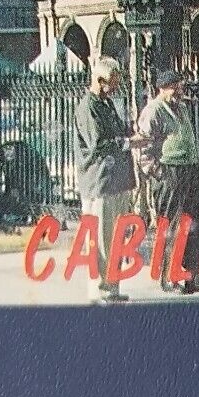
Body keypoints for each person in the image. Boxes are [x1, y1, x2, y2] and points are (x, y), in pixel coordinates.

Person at [131, 70, 199, 294]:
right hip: (169, 173)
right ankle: (169, 277)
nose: (179, 92)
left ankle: (194, 276)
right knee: (173, 227)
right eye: (175, 87)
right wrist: (156, 172)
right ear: (162, 88)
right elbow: (143, 147)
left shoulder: (182, 108)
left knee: (197, 225)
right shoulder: (153, 110)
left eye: (180, 86)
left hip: (190, 171)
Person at [72, 56, 136, 302]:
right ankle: (101, 289)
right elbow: (97, 144)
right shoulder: (88, 106)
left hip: (115, 180)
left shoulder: (105, 104)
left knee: (114, 237)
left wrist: (131, 132)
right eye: (114, 81)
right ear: (100, 81)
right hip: (99, 181)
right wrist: (128, 142)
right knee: (100, 238)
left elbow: (118, 131)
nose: (118, 85)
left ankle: (112, 286)